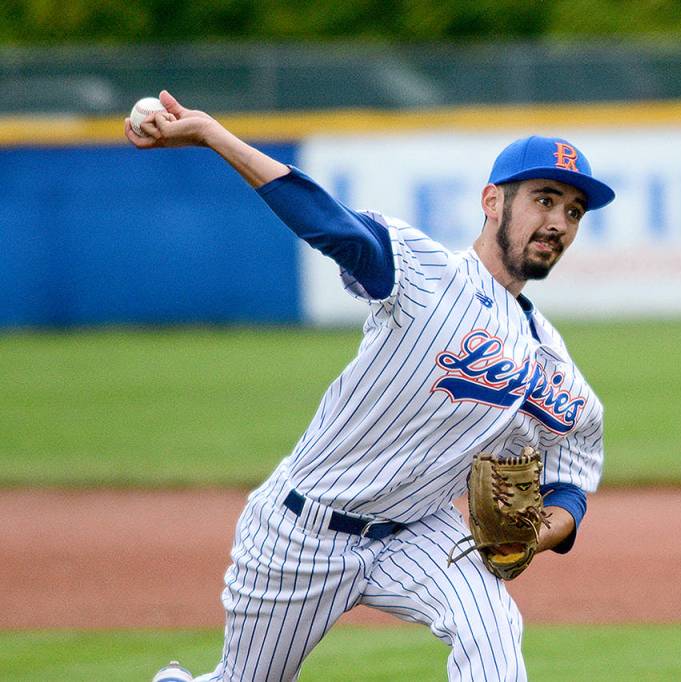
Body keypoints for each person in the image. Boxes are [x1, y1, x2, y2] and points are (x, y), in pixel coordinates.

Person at [128, 91, 615, 682]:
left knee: (493, 632)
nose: (559, 222)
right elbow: (331, 225)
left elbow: (573, 466)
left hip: (423, 532)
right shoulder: (426, 273)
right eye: (545, 199)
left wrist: (543, 531)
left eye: (573, 212)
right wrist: (214, 137)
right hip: (300, 530)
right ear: (492, 201)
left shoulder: (552, 363)